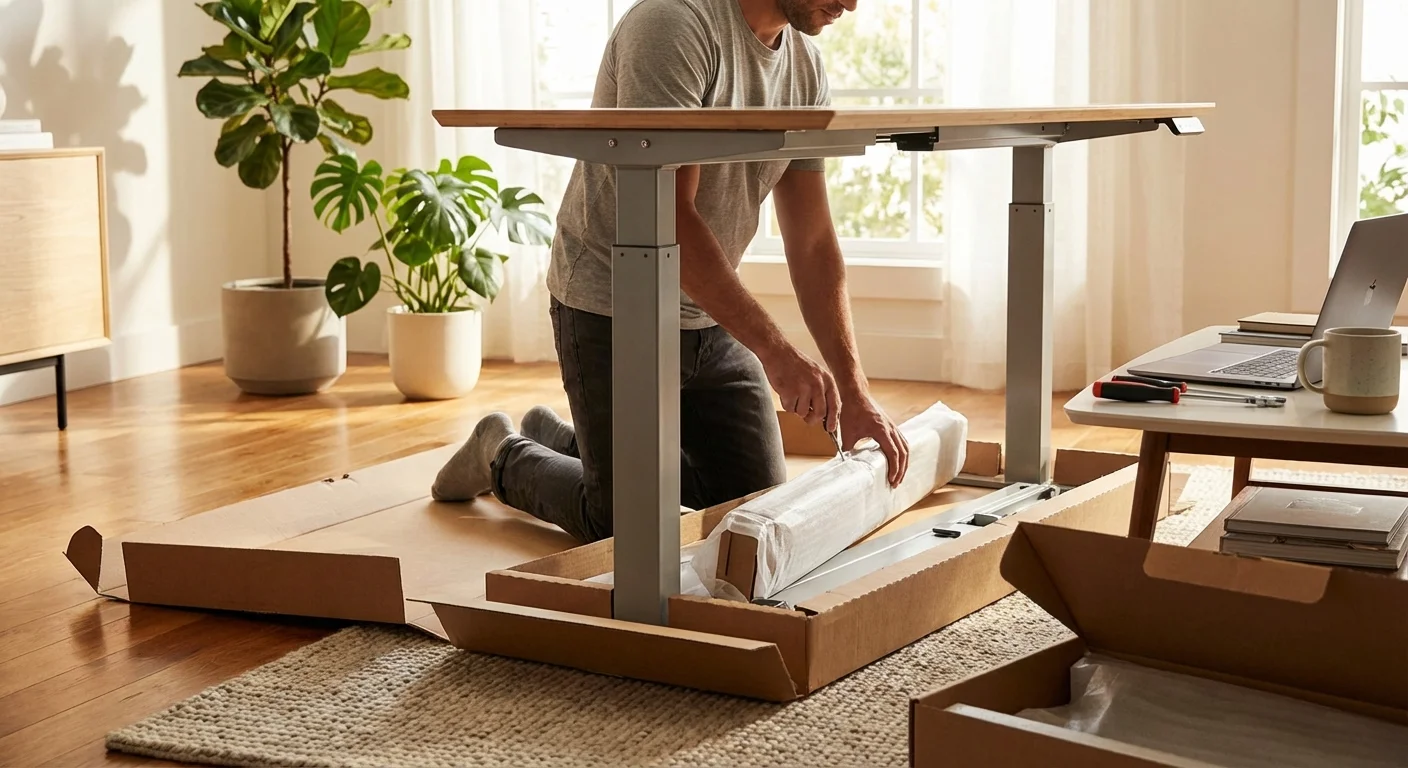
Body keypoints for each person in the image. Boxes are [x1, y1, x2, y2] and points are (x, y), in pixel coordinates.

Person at [431, 0, 910, 543]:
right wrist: (778, 353)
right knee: (626, 527)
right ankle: (501, 450)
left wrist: (855, 391)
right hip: (614, 302)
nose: (851, 3)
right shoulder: (673, 26)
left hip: (708, 311)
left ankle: (562, 439)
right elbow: (669, 219)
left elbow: (814, 240)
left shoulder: (805, 65)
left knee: (755, 508)